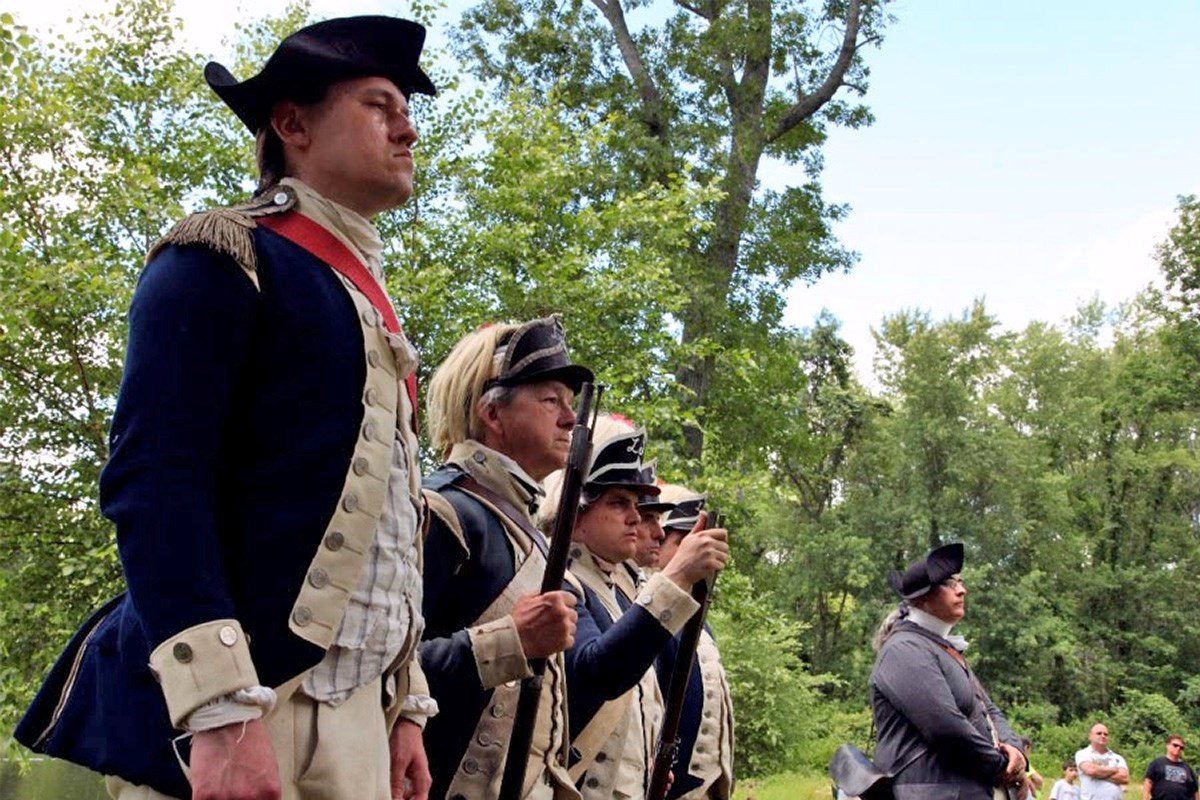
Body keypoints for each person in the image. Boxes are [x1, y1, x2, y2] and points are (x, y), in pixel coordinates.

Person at [15, 16, 438, 800]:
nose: (408, 127)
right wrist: (218, 710)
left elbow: (391, 531)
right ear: (291, 123)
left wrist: (405, 703)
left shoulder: (365, 299)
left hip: (362, 717)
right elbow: (155, 482)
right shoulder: (221, 257)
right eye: (380, 104)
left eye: (406, 110)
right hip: (243, 707)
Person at [419, 317, 591, 799]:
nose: (569, 419)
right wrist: (509, 641)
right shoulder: (444, 510)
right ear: (493, 415)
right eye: (550, 399)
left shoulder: (523, 528)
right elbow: (381, 671)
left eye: (570, 403)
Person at [540, 419, 730, 799]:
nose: (635, 517)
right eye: (618, 503)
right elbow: (599, 672)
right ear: (575, 518)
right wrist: (675, 577)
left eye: (635, 504)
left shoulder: (621, 596)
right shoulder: (560, 583)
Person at [869, 542, 1026, 800]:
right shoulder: (904, 649)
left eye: (961, 582)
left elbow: (989, 710)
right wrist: (1001, 768)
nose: (962, 590)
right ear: (922, 596)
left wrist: (1016, 751)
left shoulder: (941, 648)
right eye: (950, 584)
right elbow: (945, 727)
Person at [652, 484, 735, 800]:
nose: (700, 549)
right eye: (683, 542)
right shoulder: (642, 617)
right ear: (657, 546)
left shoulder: (700, 621)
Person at [1075, 723, 1129, 800]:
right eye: (1099, 733)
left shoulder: (1117, 757)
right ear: (1090, 736)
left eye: (1106, 734)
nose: (1103, 736)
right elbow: (1091, 771)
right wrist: (1114, 769)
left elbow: (1124, 778)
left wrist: (1098, 774)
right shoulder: (1082, 754)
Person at [1143, 734, 1197, 800]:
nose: (1178, 748)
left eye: (1181, 747)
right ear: (1167, 745)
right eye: (1175, 745)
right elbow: (1148, 782)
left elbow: (1195, 790)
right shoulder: (1157, 763)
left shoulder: (1187, 768)